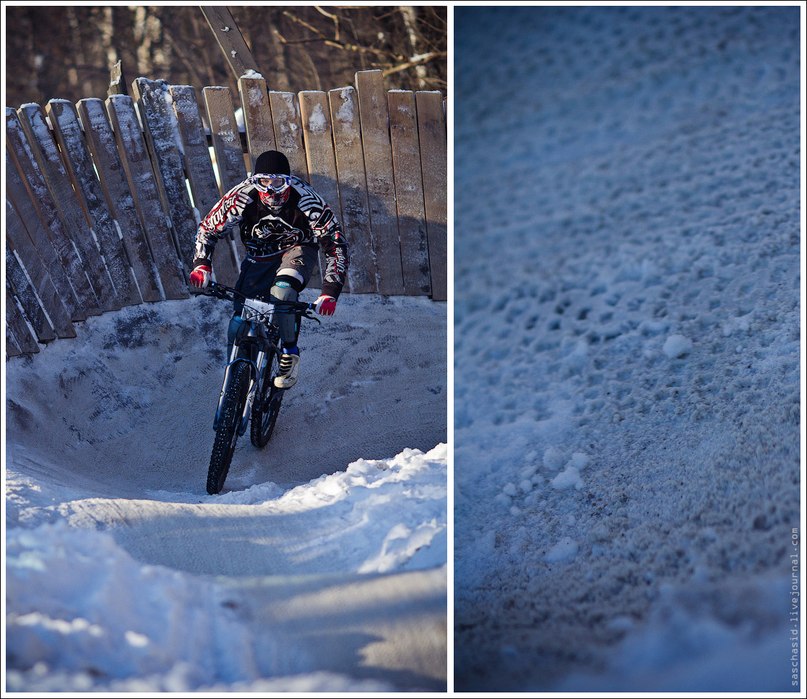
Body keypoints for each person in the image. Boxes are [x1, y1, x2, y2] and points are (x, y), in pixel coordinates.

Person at [189, 150, 349, 389]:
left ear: (289, 181)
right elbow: (208, 229)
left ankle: (289, 353)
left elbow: (334, 244)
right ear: (254, 181)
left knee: (283, 292)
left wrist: (329, 291)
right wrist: (202, 265)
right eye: (264, 182)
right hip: (259, 256)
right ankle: (236, 373)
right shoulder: (242, 197)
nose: (271, 190)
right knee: (239, 321)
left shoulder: (307, 201)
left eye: (278, 182)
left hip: (296, 250)